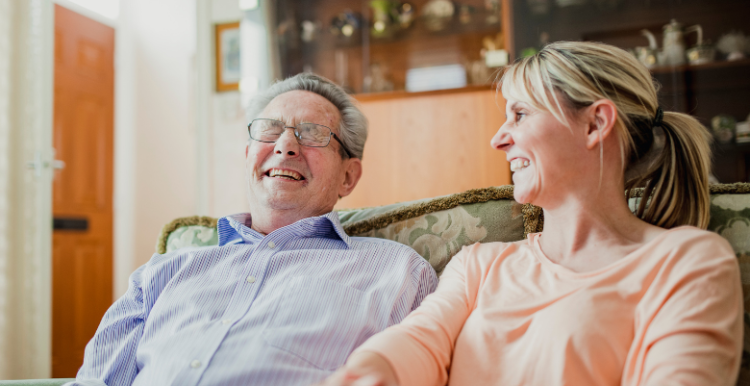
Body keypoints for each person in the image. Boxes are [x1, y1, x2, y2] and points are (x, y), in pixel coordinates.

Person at [319, 41, 743, 386]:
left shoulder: (687, 261)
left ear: (595, 125)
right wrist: (373, 370)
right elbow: (421, 339)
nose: (498, 139)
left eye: (519, 114)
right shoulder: (479, 265)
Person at [66, 73, 438, 386]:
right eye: (270, 130)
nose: (285, 145)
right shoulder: (160, 273)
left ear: (348, 176)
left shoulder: (398, 273)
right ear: (248, 157)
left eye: (311, 133)